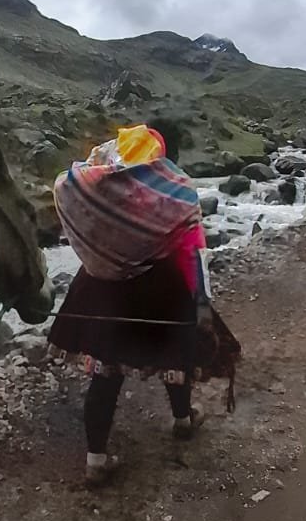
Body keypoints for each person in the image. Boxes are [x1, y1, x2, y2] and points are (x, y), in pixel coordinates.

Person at [47, 121, 239, 486]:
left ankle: (96, 459)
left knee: (105, 373)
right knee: (174, 358)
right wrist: (201, 306)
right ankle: (182, 420)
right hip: (158, 291)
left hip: (101, 288)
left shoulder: (98, 187)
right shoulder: (176, 195)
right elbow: (192, 254)